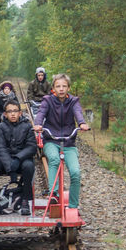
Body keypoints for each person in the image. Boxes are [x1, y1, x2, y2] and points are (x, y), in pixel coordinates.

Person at [33, 74, 89, 209]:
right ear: (53, 88)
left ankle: (73, 205)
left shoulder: (74, 101)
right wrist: (38, 124)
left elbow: (78, 113)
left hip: (69, 143)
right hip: (51, 141)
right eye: (58, 86)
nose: (61, 89)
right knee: (54, 159)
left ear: (68, 88)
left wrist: (81, 123)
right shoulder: (47, 100)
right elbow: (41, 113)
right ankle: (54, 194)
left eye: (64, 86)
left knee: (75, 173)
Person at [0, 101, 37, 217]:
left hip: (22, 158)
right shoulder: (0, 127)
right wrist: (10, 167)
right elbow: (0, 148)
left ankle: (25, 201)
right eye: (9, 111)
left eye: (15, 111)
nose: (12, 114)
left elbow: (31, 146)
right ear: (5, 114)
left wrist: (18, 158)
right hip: (5, 160)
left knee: (29, 166)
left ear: (20, 113)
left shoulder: (27, 126)